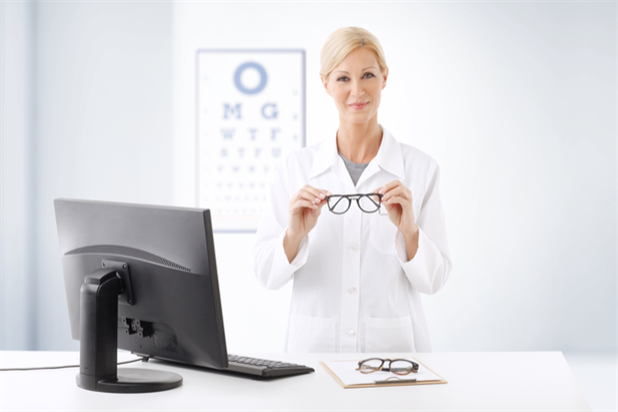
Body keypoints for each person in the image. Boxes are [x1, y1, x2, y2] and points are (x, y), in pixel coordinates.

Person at [253, 27, 451, 353]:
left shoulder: (421, 170)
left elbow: (434, 280)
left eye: (368, 75)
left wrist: (410, 232)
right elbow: (266, 274)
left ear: (384, 78)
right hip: (314, 351)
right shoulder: (296, 168)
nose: (357, 91)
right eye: (343, 78)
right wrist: (293, 235)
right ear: (325, 83)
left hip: (392, 354)